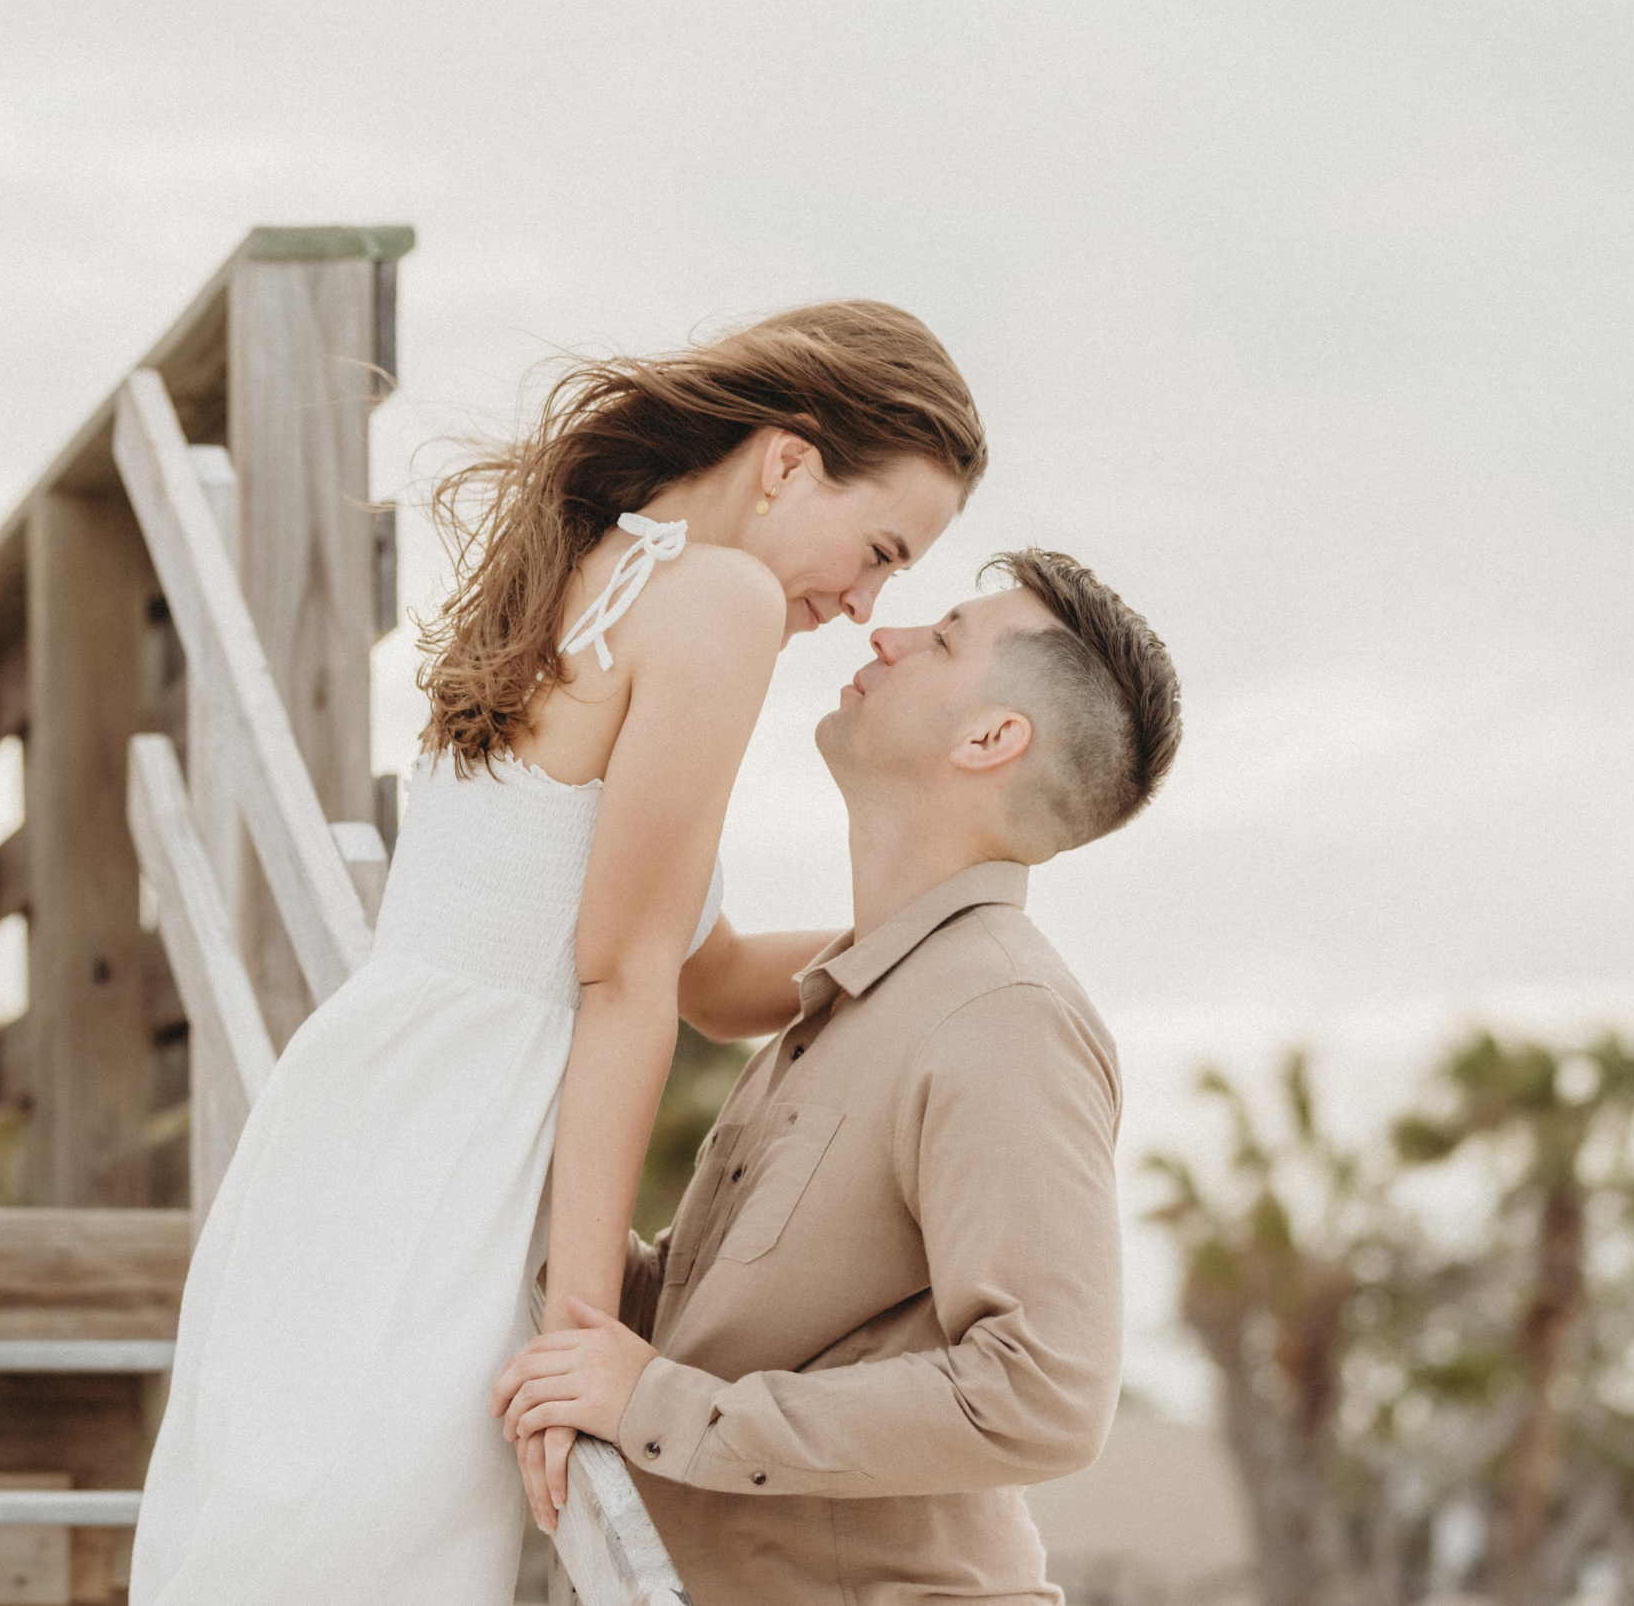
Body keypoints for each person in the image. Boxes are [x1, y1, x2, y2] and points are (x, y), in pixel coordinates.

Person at [130, 302, 987, 1603]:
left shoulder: (598, 565)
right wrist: (583, 1346)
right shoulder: (721, 599)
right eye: (878, 549)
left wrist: (950, 932)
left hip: (365, 1126)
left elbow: (711, 975)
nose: (866, 602)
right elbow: (621, 980)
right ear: (788, 459)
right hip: (445, 1171)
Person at [493, 548, 1182, 1605]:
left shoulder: (1003, 1012)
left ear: (991, 738)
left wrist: (667, 1411)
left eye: (942, 636)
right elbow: (696, 1326)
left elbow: (1044, 1392)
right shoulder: (854, 1000)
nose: (884, 634)